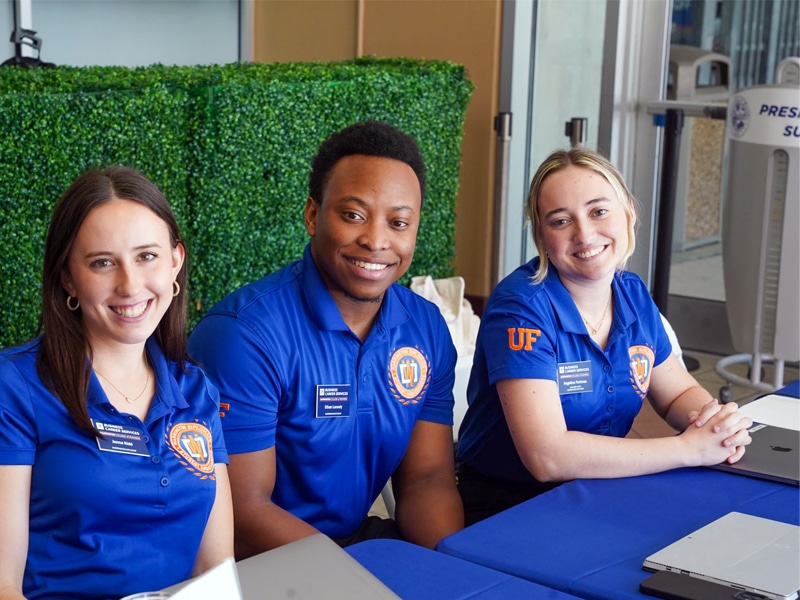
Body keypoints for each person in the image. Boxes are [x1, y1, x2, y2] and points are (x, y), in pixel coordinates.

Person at [188, 119, 464, 557]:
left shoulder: (425, 328)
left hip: (354, 546)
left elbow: (426, 481)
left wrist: (452, 572)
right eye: (353, 215)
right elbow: (243, 510)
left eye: (398, 222)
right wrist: (356, 584)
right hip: (254, 565)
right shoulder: (243, 336)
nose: (376, 241)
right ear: (313, 215)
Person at [456, 147, 753, 525]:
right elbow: (547, 457)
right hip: (508, 507)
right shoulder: (520, 309)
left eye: (599, 211)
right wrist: (688, 449)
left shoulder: (631, 293)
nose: (584, 234)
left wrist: (715, 424)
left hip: (599, 490)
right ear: (542, 236)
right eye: (561, 221)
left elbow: (677, 392)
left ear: (628, 210)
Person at [0, 167, 233, 600]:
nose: (130, 285)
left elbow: (214, 573)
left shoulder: (197, 392)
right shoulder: (13, 386)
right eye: (103, 262)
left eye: (147, 256)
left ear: (175, 261)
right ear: (68, 277)